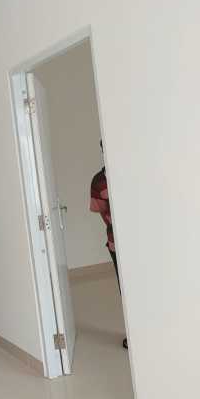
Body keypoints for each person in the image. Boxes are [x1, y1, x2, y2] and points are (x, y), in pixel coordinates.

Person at [90, 141, 128, 350]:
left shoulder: (130, 172)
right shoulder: (99, 182)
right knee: (127, 290)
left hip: (142, 245)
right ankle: (135, 335)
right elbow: (102, 213)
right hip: (117, 245)